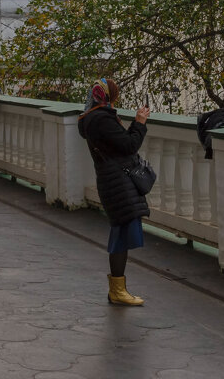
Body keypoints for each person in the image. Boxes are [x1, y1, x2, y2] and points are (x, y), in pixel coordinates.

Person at [78, 78, 151, 307]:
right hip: (118, 182)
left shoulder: (93, 117)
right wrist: (140, 122)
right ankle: (117, 291)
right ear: (109, 95)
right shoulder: (102, 119)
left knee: (121, 232)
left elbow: (118, 144)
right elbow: (129, 146)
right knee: (121, 234)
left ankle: (118, 289)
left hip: (111, 180)